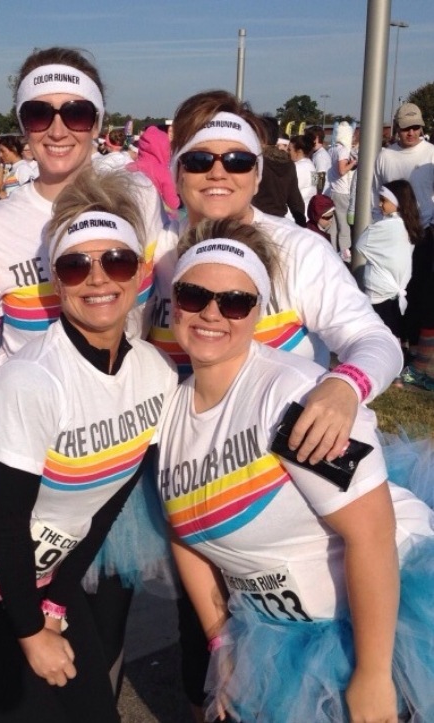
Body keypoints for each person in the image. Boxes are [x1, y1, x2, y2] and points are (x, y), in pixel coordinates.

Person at [147, 89, 403, 720]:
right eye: (199, 159)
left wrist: (343, 386)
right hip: (196, 491)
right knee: (208, 673)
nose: (217, 173)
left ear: (258, 172)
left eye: (236, 160)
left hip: (292, 496)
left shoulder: (298, 251)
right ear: (176, 169)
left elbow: (375, 340)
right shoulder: (160, 257)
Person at [0, 167, 178, 722]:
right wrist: (33, 632)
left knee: (97, 713)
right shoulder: (32, 380)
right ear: (55, 279)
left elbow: (105, 506)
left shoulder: (155, 374)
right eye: (76, 264)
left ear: (142, 272)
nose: (98, 279)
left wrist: (53, 599)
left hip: (42, 576)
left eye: (117, 261)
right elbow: (5, 524)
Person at [157, 218, 434, 723]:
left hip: (373, 626)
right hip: (274, 634)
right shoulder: (170, 411)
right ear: (173, 301)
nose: (212, 314)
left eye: (235, 301)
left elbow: (371, 532)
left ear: (257, 312)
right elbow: (185, 537)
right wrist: (222, 645)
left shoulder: (289, 395)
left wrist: (372, 677)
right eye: (194, 295)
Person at [372, 102, 434, 390]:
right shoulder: (385, 156)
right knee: (393, 294)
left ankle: (415, 354)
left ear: (422, 128)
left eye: (415, 127)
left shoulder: (430, 153)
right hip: (394, 236)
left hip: (423, 234)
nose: (411, 133)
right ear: (396, 129)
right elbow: (374, 193)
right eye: (405, 128)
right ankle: (396, 348)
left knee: (420, 293)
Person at [354, 180, 422, 356]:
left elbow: (361, 244)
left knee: (381, 332)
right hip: (396, 287)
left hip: (380, 288)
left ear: (397, 202)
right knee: (394, 329)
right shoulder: (408, 225)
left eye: (383, 200)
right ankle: (396, 369)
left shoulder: (386, 226)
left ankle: (386, 367)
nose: (379, 204)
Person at [252, 115, 305, 227]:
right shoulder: (289, 163)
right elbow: (295, 200)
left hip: (256, 221)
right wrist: (302, 224)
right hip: (278, 221)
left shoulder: (257, 161)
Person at [126, 124, 181, 221]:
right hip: (157, 221)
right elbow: (173, 203)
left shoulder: (129, 167)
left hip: (132, 218)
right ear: (164, 148)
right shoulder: (163, 172)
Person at [327, 121, 358, 261]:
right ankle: (345, 254)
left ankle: (333, 250)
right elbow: (341, 170)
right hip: (343, 191)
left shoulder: (333, 149)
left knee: (333, 225)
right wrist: (352, 163)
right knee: (344, 225)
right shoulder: (343, 150)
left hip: (333, 190)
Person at [0, 134, 34, 199]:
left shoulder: (23, 168)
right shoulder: (12, 169)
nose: (0, 155)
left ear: (13, 149)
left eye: (3, 151)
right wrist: (1, 165)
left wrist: (7, 196)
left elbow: (30, 194)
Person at [288, 133, 316, 212]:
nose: (288, 152)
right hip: (309, 211)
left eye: (290, 150)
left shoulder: (296, 167)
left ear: (299, 151)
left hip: (295, 213)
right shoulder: (312, 166)